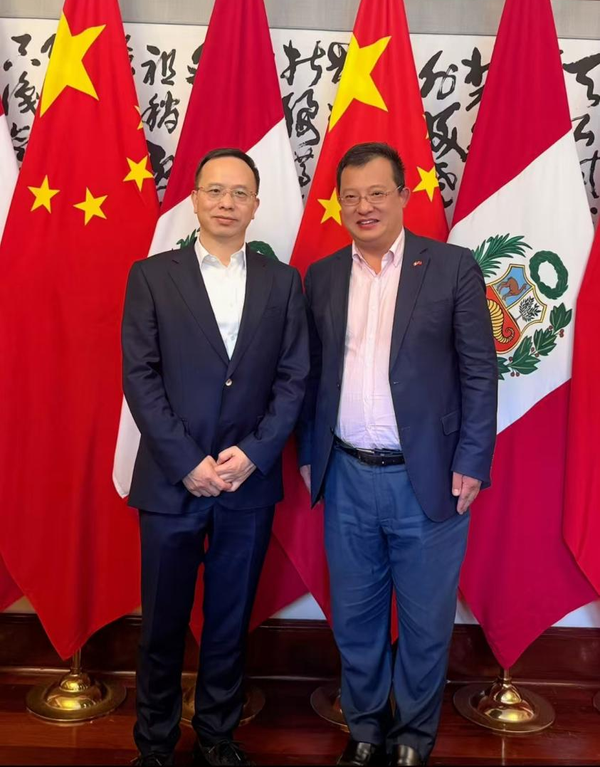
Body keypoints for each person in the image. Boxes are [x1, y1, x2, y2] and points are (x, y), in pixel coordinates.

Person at [299, 142, 497, 767]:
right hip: (346, 473)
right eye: (351, 197)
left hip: (429, 478)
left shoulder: (452, 267)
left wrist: (472, 458)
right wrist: (309, 453)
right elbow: (310, 374)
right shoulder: (322, 275)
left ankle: (412, 737)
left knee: (425, 622)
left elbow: (479, 371)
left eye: (377, 193)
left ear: (404, 197)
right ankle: (364, 729)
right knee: (355, 618)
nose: (365, 207)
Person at [123, 147, 309, 767]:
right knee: (162, 624)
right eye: (214, 191)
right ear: (195, 199)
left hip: (247, 484)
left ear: (255, 205)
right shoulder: (152, 275)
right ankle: (154, 743)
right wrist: (187, 461)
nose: (226, 202)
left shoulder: (283, 282)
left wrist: (253, 454)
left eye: (239, 193)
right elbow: (140, 376)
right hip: (171, 481)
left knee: (230, 620)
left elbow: (293, 379)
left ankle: (217, 735)